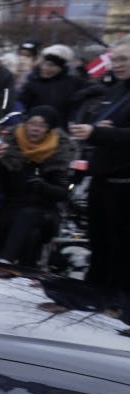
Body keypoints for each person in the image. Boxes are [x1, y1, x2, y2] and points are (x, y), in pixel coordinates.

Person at [69, 38, 130, 292]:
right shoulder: (116, 89)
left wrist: (99, 133)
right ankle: (93, 295)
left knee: (122, 252)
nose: (115, 65)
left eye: (123, 59)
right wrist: (98, 128)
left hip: (125, 186)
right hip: (102, 179)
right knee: (99, 246)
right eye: (114, 59)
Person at [0, 106, 74, 266]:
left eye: (42, 125)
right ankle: (26, 273)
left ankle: (5, 262)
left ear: (49, 130)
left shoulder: (58, 153)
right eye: (32, 123)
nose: (35, 129)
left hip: (45, 213)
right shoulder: (8, 149)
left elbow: (63, 193)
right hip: (11, 210)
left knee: (31, 216)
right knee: (32, 233)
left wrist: (44, 187)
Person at [19, 45, 85, 122]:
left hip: (62, 129)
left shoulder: (73, 82)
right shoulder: (32, 83)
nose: (45, 68)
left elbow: (94, 91)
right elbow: (22, 105)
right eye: (43, 64)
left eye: (51, 65)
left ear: (60, 67)